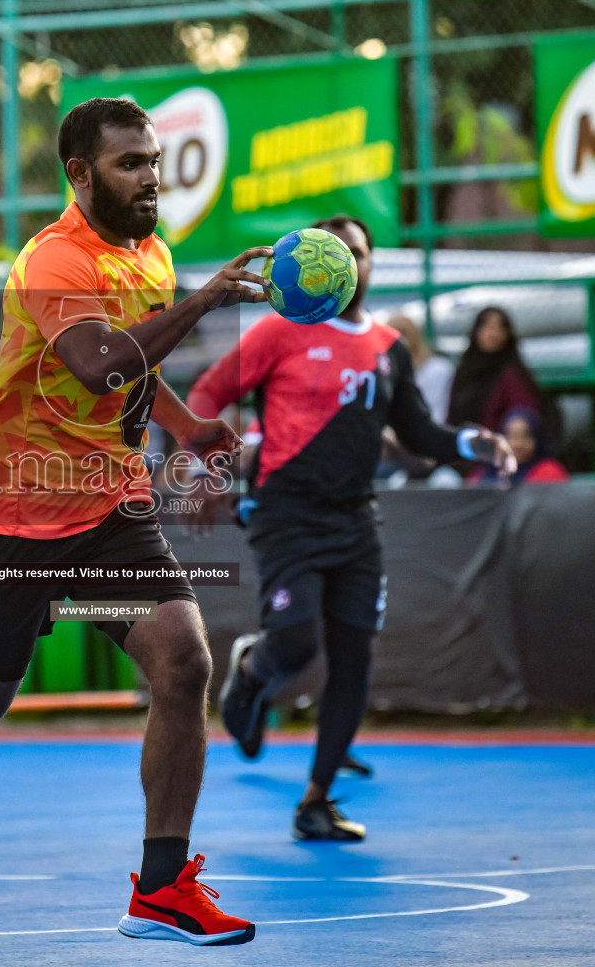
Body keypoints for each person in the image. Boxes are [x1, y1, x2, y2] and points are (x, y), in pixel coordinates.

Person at [0, 97, 268, 946]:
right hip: (16, 516)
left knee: (183, 664)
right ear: (80, 174)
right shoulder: (50, 262)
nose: (150, 177)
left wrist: (183, 428)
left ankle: (162, 887)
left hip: (109, 507)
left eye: (153, 160)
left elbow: (136, 362)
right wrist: (208, 302)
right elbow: (101, 363)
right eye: (130, 164)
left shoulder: (149, 254)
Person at [188, 215, 513, 842]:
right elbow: (207, 392)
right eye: (335, 254)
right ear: (308, 266)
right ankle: (253, 670)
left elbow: (421, 434)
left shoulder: (388, 347)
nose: (348, 266)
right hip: (285, 513)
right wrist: (207, 472)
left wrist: (476, 442)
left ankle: (316, 800)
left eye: (358, 254)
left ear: (371, 263)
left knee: (355, 657)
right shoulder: (279, 332)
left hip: (355, 518)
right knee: (297, 641)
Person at [446, 306, 542, 433]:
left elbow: (523, 419)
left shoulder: (512, 374)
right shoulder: (464, 372)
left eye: (499, 327)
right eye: (486, 326)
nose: (493, 333)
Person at [472, 406, 569, 486]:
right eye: (511, 437)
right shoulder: (483, 474)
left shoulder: (550, 472)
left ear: (538, 439)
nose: (518, 444)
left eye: (526, 436)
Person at [386, 313, 453, 426]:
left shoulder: (437, 369)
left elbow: (438, 413)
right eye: (391, 335)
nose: (399, 340)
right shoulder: (384, 372)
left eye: (403, 333)